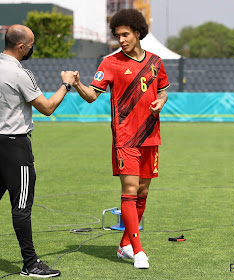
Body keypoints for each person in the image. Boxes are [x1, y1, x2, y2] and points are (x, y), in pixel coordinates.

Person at [0, 24, 74, 278]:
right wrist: (66, 84)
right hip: (16, 144)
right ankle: (30, 264)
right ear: (21, 46)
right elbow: (47, 108)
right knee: (21, 206)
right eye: (30, 45)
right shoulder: (20, 73)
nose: (32, 49)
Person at [71, 9, 169, 269]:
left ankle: (124, 244)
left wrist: (161, 101)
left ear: (138, 32)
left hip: (151, 136)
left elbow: (162, 91)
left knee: (144, 192)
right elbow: (92, 96)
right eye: (117, 35)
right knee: (129, 191)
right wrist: (78, 84)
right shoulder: (110, 63)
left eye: (125, 34)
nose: (121, 39)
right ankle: (138, 251)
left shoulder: (156, 61)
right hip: (125, 138)